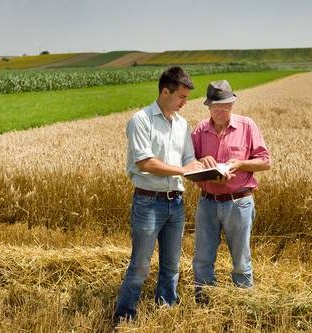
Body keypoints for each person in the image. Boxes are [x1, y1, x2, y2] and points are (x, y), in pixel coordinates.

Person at [113, 66, 203, 323]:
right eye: (182, 97)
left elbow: (188, 158)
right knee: (141, 264)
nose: (185, 102)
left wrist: (202, 166)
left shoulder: (182, 124)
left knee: (171, 265)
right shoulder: (141, 120)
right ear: (165, 91)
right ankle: (125, 316)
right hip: (148, 202)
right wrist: (183, 170)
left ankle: (166, 308)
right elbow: (145, 162)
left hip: (176, 202)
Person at [191, 80, 271, 303]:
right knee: (202, 258)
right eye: (216, 106)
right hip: (207, 202)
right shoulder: (199, 130)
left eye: (225, 106)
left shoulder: (247, 126)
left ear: (232, 104)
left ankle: (243, 304)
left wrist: (240, 164)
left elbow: (265, 162)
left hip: (239, 202)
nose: (220, 111)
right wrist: (200, 160)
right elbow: (186, 162)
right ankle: (204, 302)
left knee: (241, 260)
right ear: (208, 107)